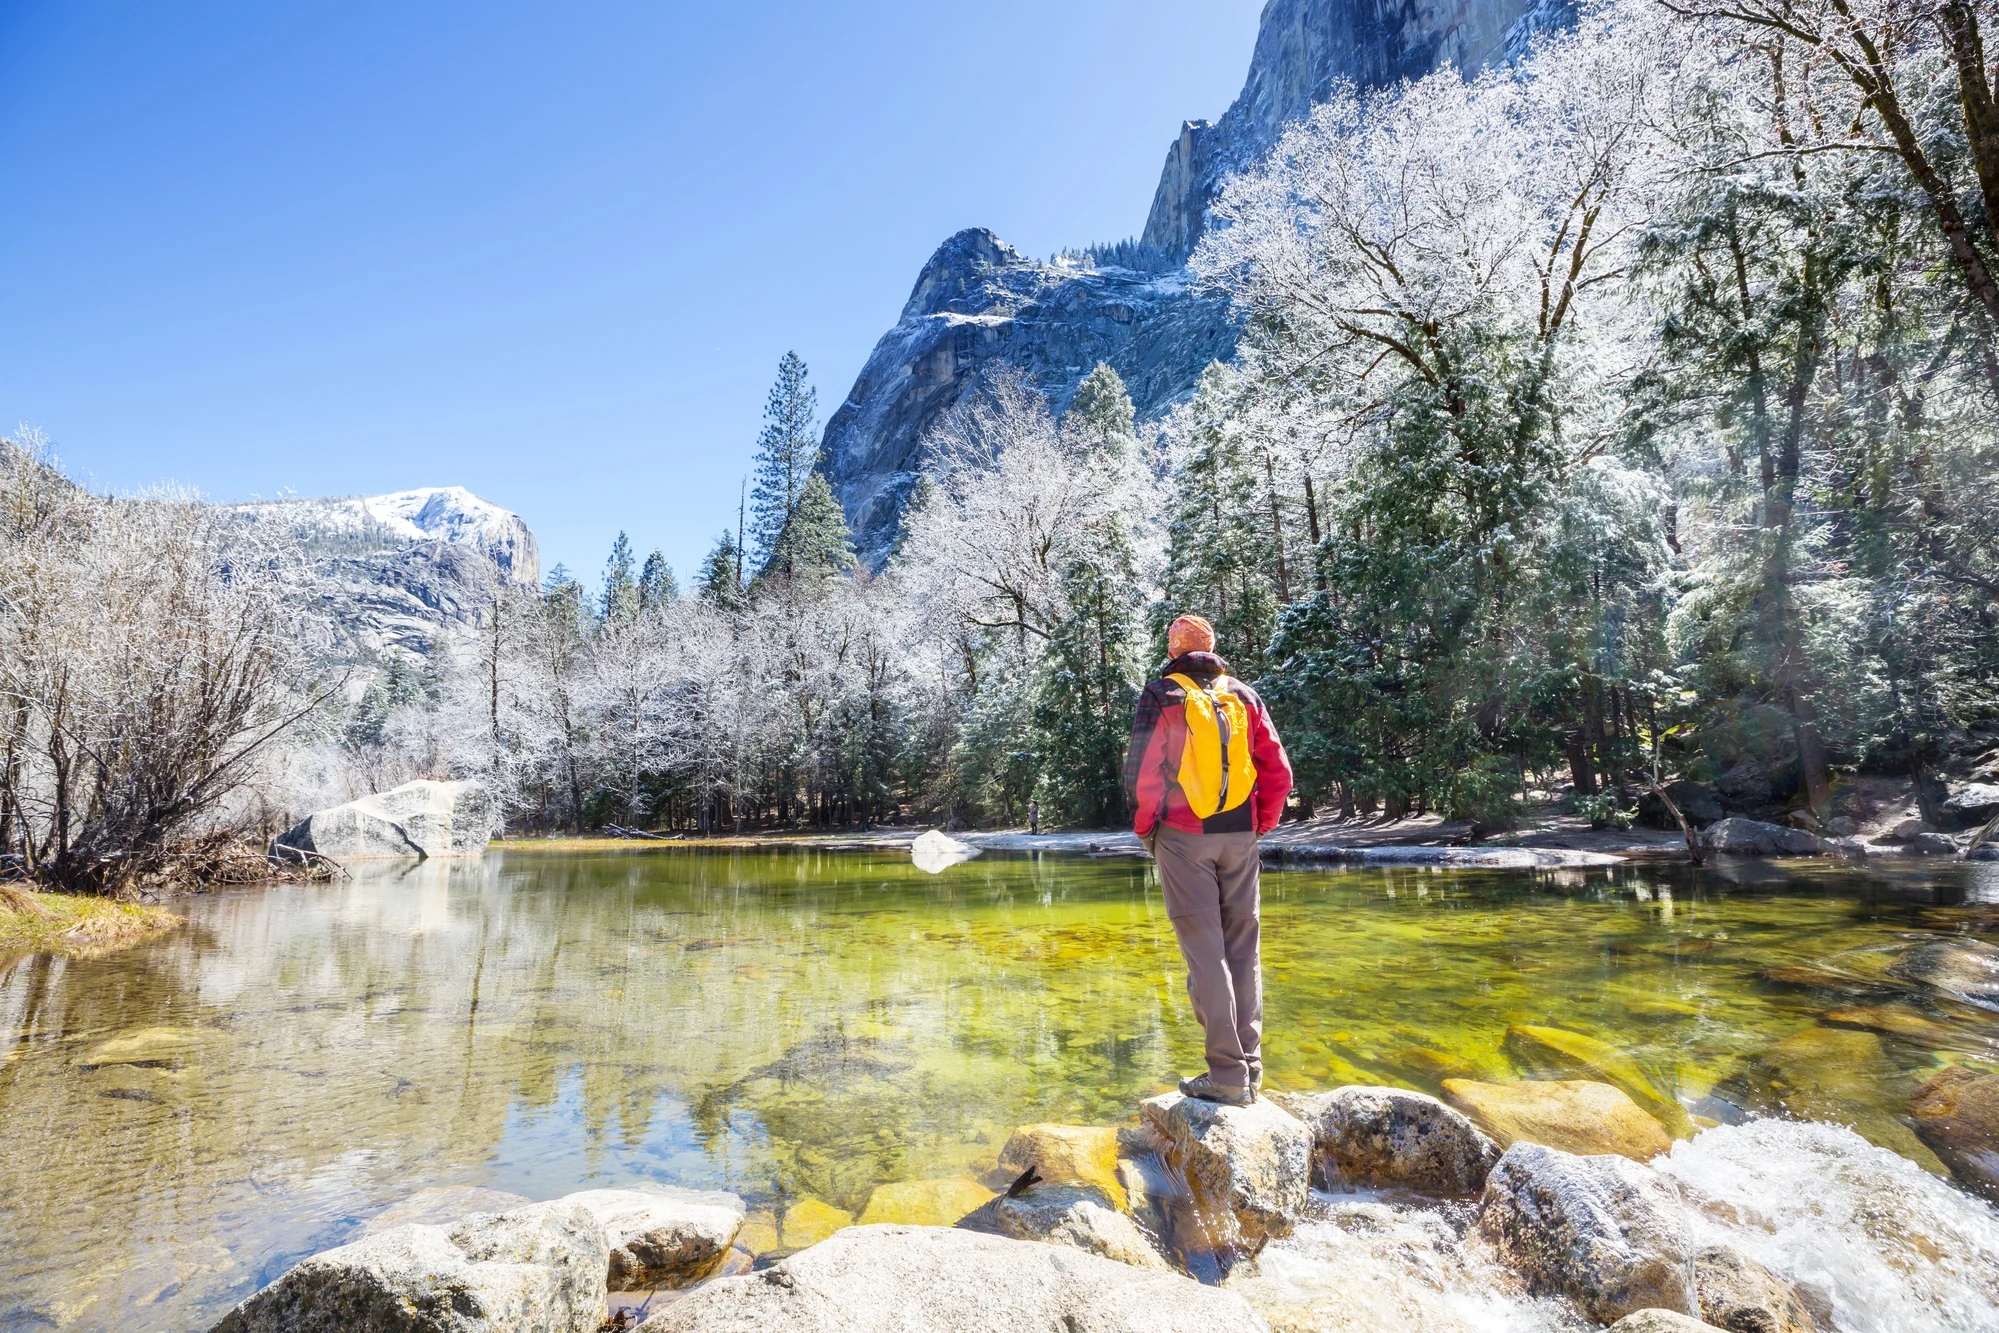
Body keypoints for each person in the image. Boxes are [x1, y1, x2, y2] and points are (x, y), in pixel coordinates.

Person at [1123, 614, 1292, 1106]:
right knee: (1243, 949)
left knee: (1206, 954)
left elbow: (1142, 772)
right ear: (1213, 649)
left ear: (1174, 650)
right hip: (1240, 837)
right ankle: (1251, 1069)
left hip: (1182, 837)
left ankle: (1226, 1077)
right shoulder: (1244, 694)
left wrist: (1147, 829)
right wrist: (1260, 822)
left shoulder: (1162, 694)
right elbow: (1277, 769)